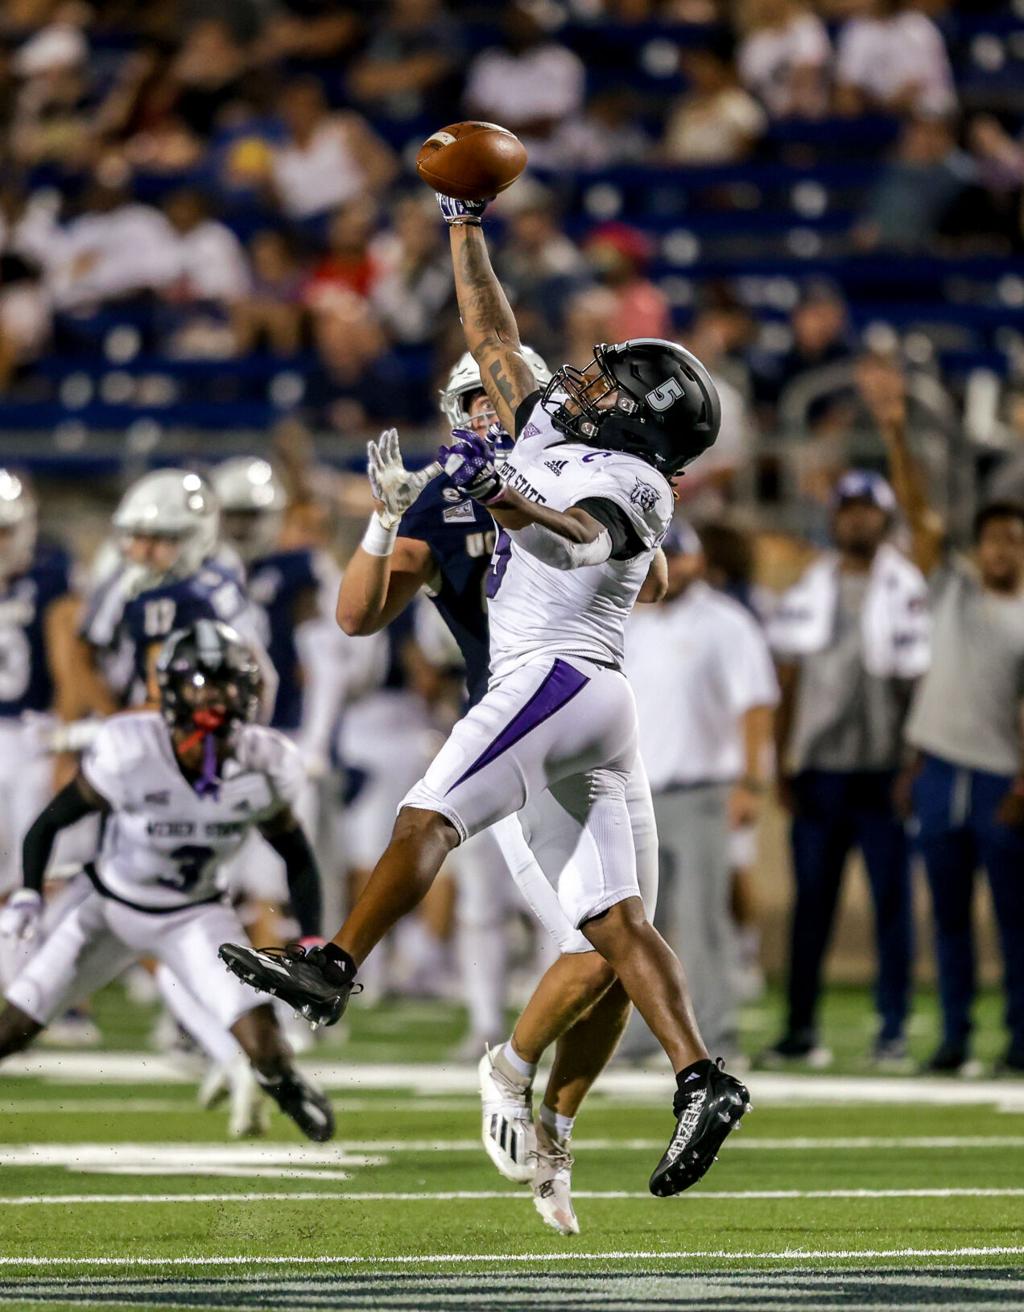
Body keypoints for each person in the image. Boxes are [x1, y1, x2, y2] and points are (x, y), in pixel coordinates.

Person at [220, 181, 751, 1203]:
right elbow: (494, 332)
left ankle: (333, 962)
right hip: (591, 711)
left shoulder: (637, 479)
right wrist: (464, 224)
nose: (584, 384)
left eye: (610, 383)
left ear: (640, 418)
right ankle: (701, 1074)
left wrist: (512, 500)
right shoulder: (555, 421)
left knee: (430, 812)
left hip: (555, 677)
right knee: (615, 927)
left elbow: (591, 529)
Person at [0, 621, 333, 1141]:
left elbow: (299, 858)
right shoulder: (131, 748)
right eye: (203, 682)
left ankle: (287, 1088)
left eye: (228, 683)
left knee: (263, 1042)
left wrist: (311, 939)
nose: (217, 697)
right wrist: (26, 893)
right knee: (12, 1027)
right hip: (107, 907)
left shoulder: (263, 762)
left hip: (196, 913)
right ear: (172, 688)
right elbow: (50, 822)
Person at [867, 366, 1024, 1075]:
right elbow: (919, 515)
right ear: (980, 547)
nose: (1001, 551)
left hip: (1001, 777)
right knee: (950, 919)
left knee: (1015, 920)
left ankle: (1020, 1038)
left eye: (1012, 542)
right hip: (938, 767)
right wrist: (896, 434)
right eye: (993, 540)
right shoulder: (953, 586)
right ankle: (956, 1036)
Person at [765, 468, 930, 1067]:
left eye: (868, 509)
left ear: (884, 518)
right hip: (821, 773)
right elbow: (788, 681)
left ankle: (893, 1029)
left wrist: (915, 765)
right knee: (812, 906)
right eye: (848, 509)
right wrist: (781, 764)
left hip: (886, 770)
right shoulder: (812, 587)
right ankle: (800, 1028)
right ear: (834, 518)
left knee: (891, 905)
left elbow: (921, 688)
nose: (857, 519)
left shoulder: (908, 587)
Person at [623, 521, 778, 1060]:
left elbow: (756, 706)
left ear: (695, 562)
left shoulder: (726, 623)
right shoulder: (632, 624)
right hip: (639, 794)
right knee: (639, 926)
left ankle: (717, 1034)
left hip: (704, 792)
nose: (665, 568)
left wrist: (752, 783)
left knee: (703, 917)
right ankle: (642, 1034)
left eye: (675, 557)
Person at [0, 470, 94, 990]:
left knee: (39, 872)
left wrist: (65, 737)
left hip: (33, 735)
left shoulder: (51, 577)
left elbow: (69, 666)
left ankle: (36, 991)